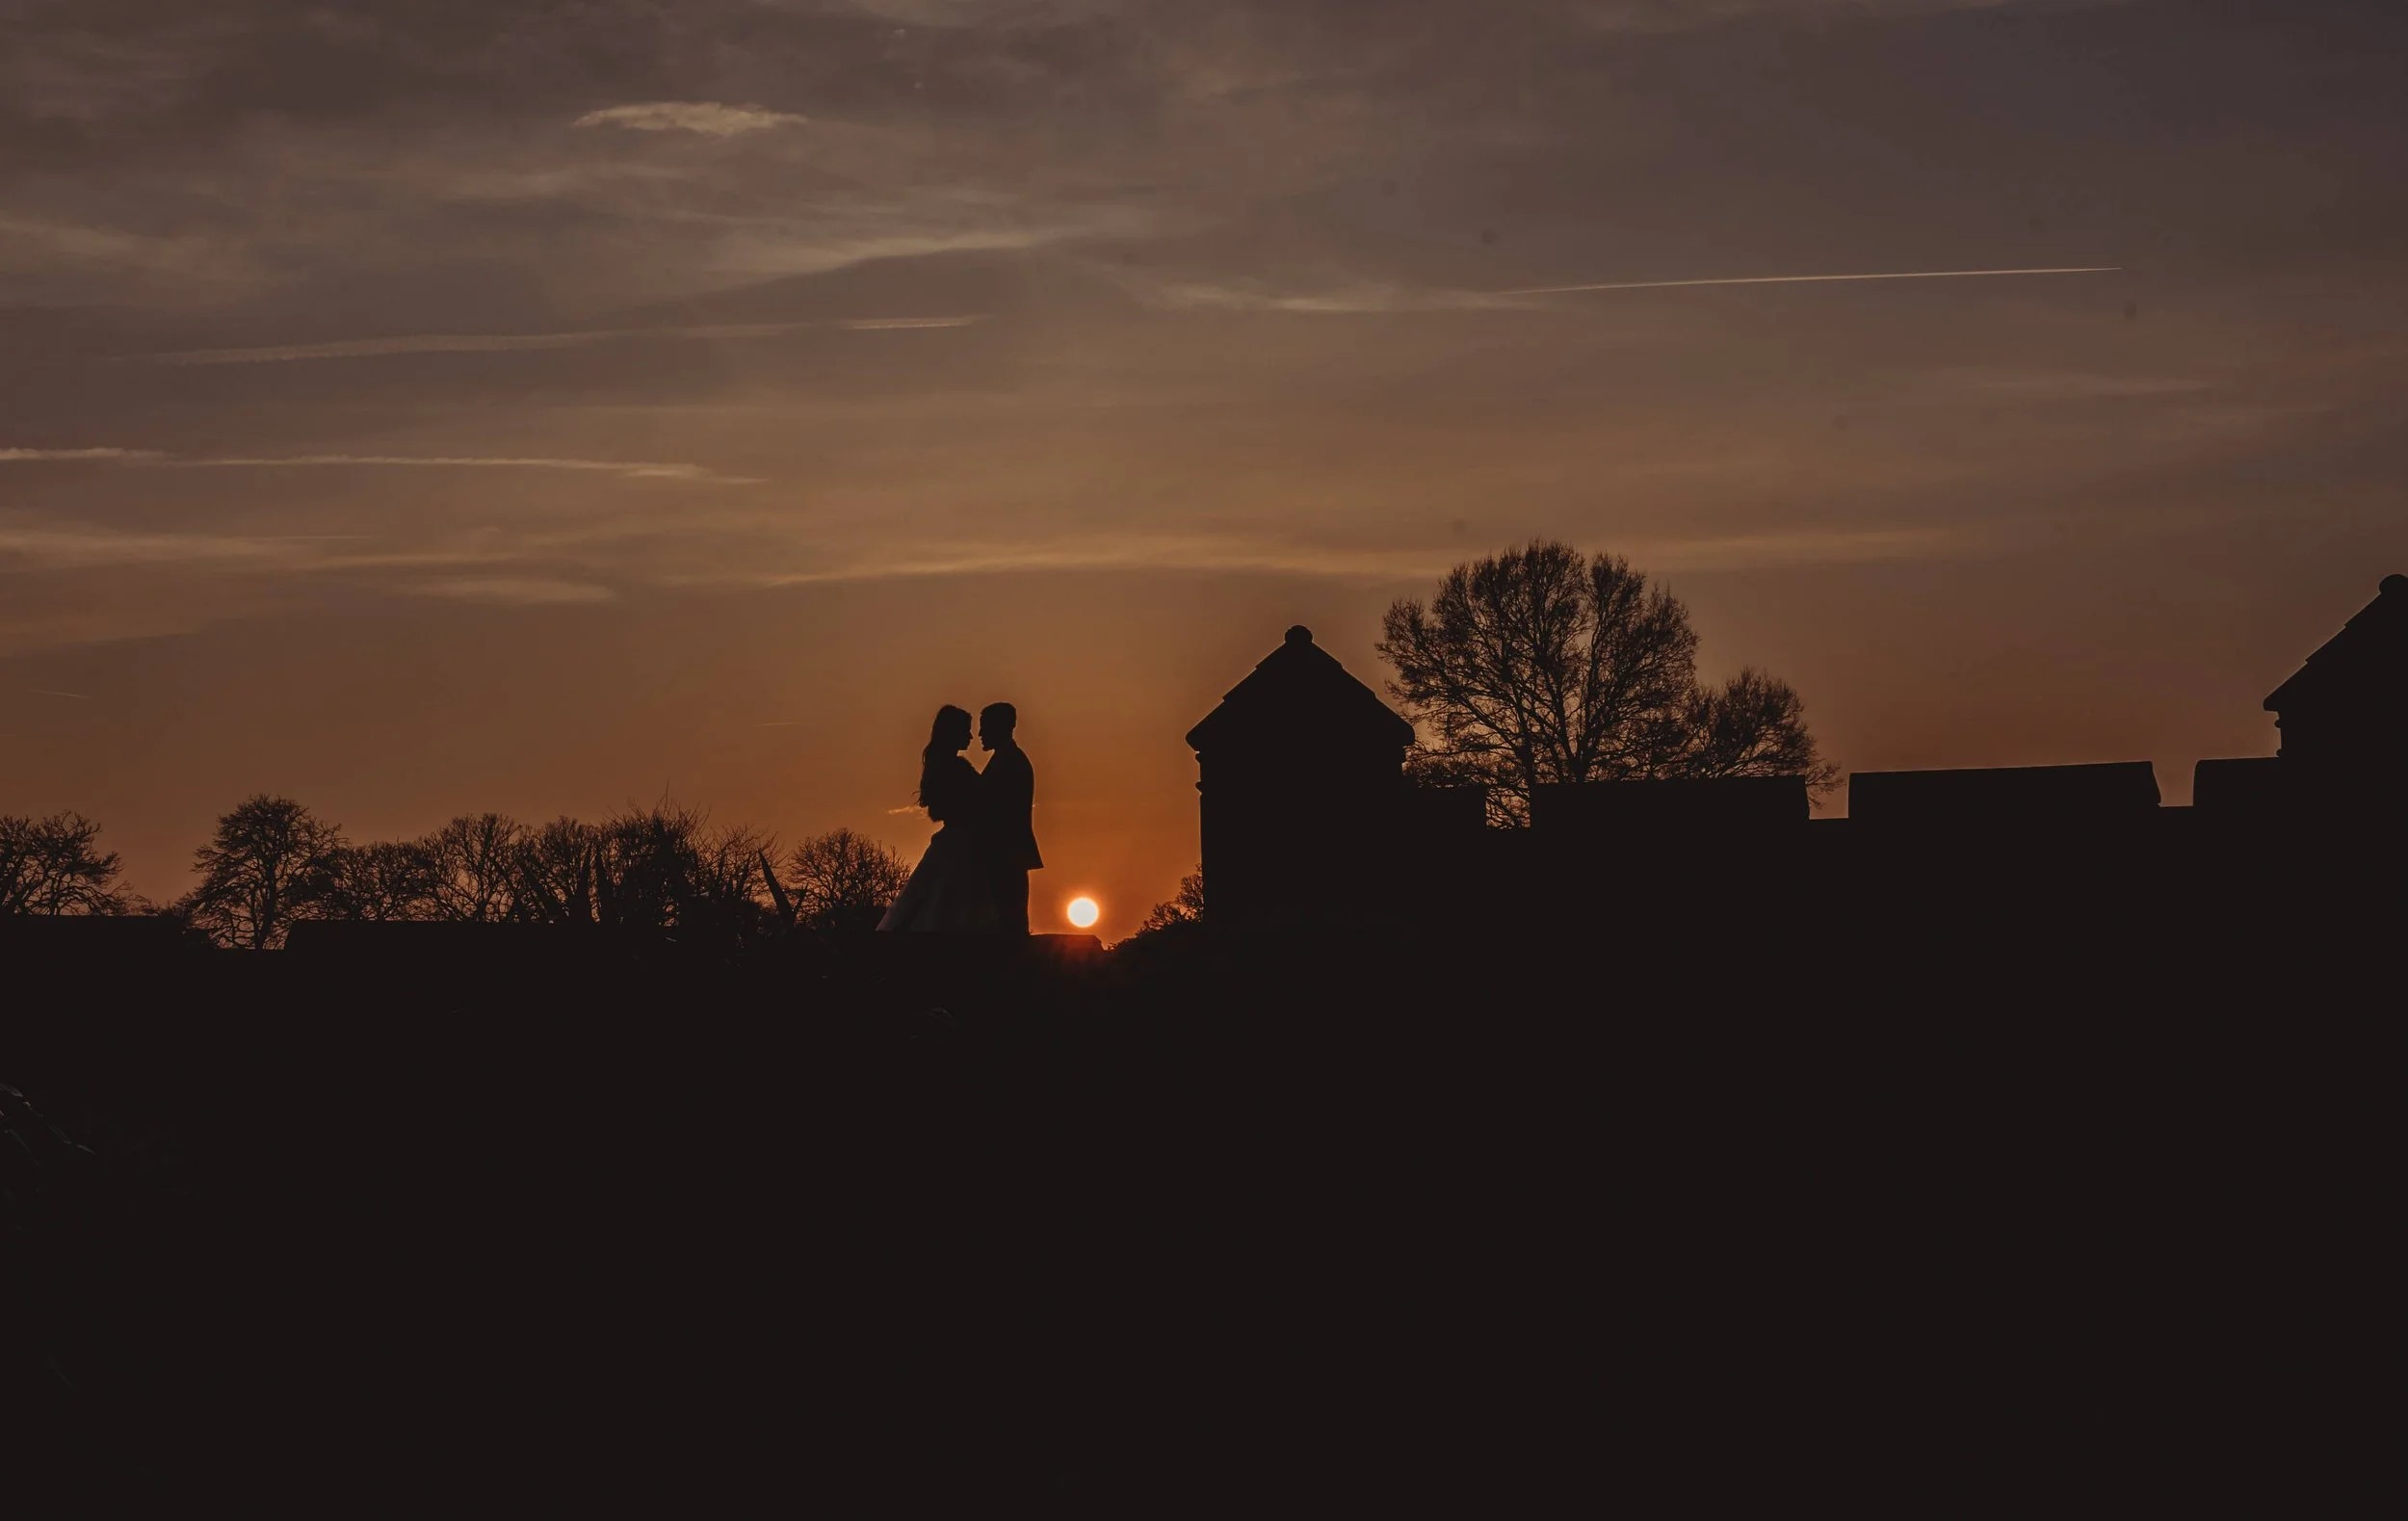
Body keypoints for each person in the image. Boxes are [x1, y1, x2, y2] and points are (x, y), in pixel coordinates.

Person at [877, 705, 1001, 932]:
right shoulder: (956, 769)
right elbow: (982, 802)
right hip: (963, 843)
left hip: (953, 839)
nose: (971, 736)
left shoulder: (939, 766)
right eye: (966, 730)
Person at [975, 701, 1043, 935]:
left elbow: (997, 811)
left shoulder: (1011, 761)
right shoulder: (1006, 759)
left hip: (1006, 854)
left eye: (985, 727)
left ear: (1002, 726)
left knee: (1008, 921)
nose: (980, 734)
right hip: (1005, 854)